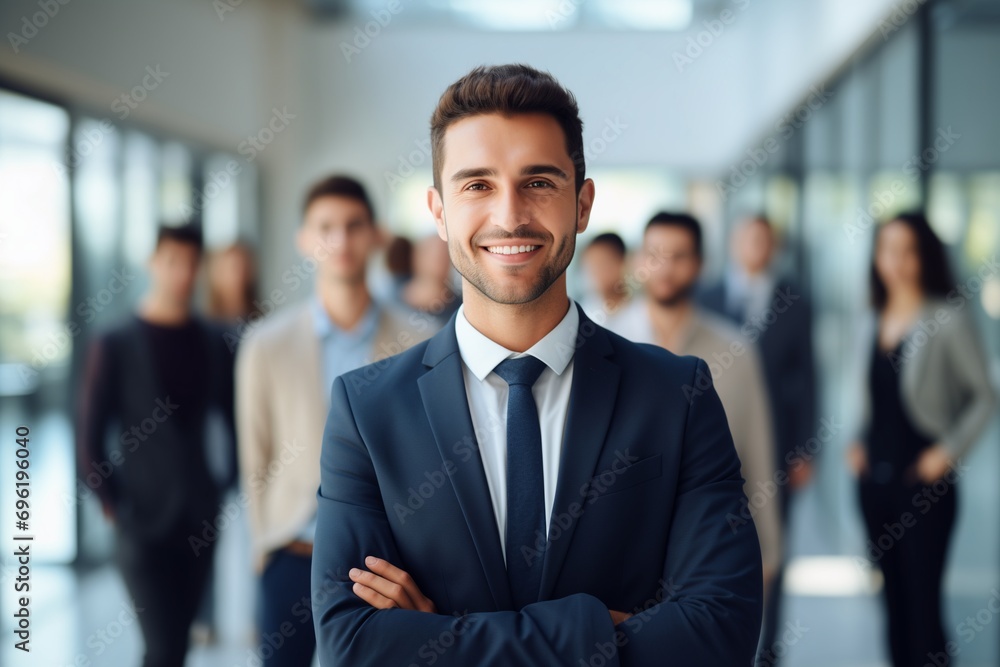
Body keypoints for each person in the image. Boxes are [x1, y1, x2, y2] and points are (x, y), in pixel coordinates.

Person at [310, 64, 762, 666]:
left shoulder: (678, 394)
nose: (511, 215)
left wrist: (441, 635)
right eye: (477, 185)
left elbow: (719, 631)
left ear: (582, 203)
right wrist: (598, 631)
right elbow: (350, 645)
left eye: (539, 182)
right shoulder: (366, 411)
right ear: (439, 211)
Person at [235, 175, 431, 666]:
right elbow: (253, 457)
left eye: (353, 225)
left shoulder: (419, 340)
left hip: (385, 564)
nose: (340, 240)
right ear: (304, 239)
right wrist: (264, 549)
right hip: (293, 552)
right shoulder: (266, 344)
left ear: (375, 235)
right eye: (325, 227)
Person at [76, 224, 235, 667]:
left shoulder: (212, 340)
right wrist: (113, 505)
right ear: (152, 264)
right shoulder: (115, 343)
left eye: (191, 263)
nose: (182, 273)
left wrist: (228, 482)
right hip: (140, 521)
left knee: (178, 644)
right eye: (171, 261)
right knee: (163, 646)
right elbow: (88, 438)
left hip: (200, 517)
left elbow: (233, 415)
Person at [605, 212, 781, 608]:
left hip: (708, 545)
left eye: (679, 255)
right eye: (654, 254)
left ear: (700, 264)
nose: (664, 268)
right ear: (637, 262)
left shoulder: (736, 350)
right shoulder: (602, 343)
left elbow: (757, 448)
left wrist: (768, 548)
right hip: (618, 547)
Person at [847, 212, 997, 667]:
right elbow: (869, 396)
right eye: (887, 249)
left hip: (925, 486)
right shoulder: (869, 319)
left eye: (907, 249)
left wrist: (947, 452)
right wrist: (855, 441)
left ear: (924, 256)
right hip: (874, 484)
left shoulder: (946, 318)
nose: (896, 260)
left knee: (923, 610)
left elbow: (985, 397)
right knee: (890, 603)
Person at [698, 214, 817, 666]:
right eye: (747, 237)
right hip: (716, 440)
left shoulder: (794, 300)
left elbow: (807, 377)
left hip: (779, 446)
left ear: (774, 247)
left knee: (773, 542)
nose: (755, 246)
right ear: (733, 243)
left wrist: (806, 446)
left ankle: (770, 648)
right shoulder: (705, 296)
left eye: (763, 239)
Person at [580, 232, 630, 319]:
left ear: (621, 263)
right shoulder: (585, 309)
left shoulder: (644, 311)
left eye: (601, 264)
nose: (595, 273)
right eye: (591, 265)